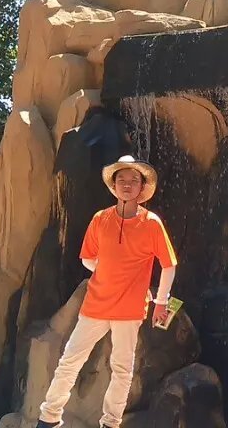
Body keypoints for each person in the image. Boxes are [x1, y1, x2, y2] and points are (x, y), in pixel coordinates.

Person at [36, 155, 177, 428]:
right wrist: (108, 269)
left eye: (133, 180)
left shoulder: (152, 223)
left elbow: (169, 265)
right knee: (70, 360)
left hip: (130, 309)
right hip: (96, 304)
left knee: (121, 369)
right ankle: (49, 418)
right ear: (114, 185)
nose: (127, 184)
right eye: (121, 179)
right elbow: (88, 258)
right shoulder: (100, 219)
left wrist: (161, 301)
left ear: (141, 187)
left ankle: (111, 423)